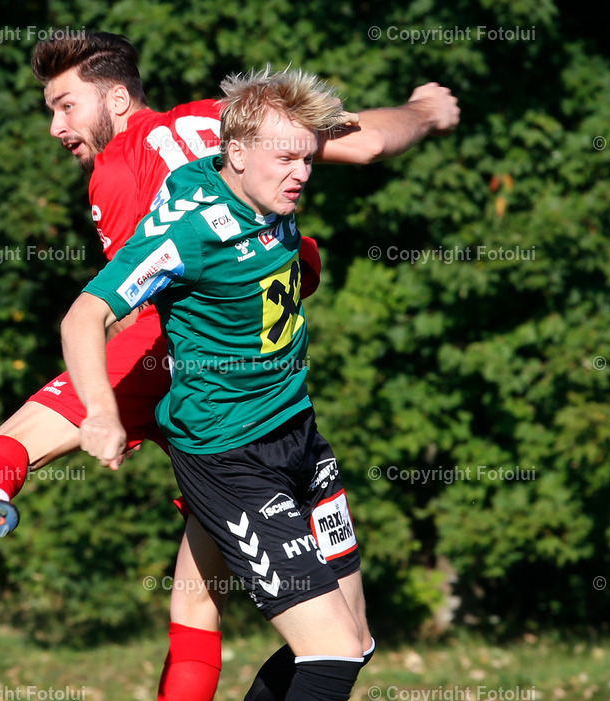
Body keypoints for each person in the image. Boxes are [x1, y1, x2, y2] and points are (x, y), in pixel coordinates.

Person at [0, 32, 459, 701]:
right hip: (222, 398)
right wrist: (425, 110)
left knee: (11, 446)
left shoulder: (124, 168)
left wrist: (105, 410)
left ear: (117, 98)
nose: (56, 127)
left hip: (171, 358)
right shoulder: (223, 119)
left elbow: (132, 301)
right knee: (212, 610)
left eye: (66, 106)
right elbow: (369, 142)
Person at [61, 65, 372, 700]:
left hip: (298, 436)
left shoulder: (264, 187)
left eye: (308, 158)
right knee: (331, 650)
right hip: (231, 458)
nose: (301, 174)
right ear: (236, 153)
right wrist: (101, 412)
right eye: (286, 159)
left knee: (356, 640)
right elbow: (84, 316)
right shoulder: (188, 230)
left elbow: (356, 141)